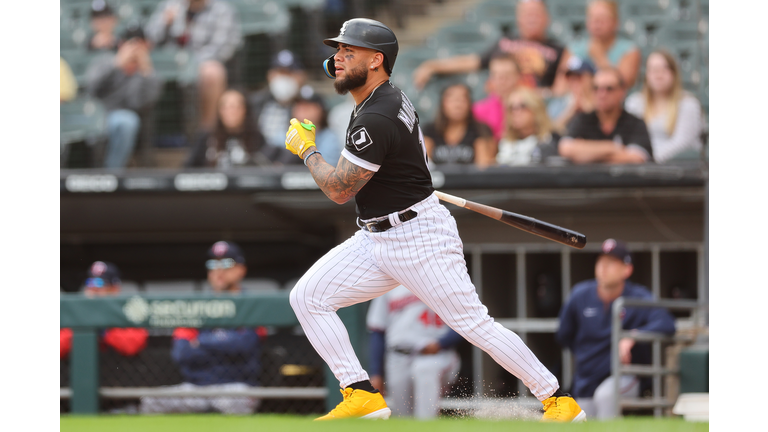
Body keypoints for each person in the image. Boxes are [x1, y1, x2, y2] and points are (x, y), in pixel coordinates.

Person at [283, 18, 586, 422]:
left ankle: (557, 399)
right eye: (336, 51)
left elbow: (339, 190)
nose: (336, 59)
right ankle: (360, 393)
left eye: (347, 52)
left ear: (376, 61)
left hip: (416, 237)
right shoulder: (379, 99)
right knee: (308, 297)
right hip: (377, 237)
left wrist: (307, 150)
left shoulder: (377, 115)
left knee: (473, 324)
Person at [555, 239, 676, 420]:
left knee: (606, 397)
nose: (603, 267)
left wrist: (632, 336)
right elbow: (564, 335)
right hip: (586, 377)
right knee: (581, 420)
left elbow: (667, 323)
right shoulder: (580, 294)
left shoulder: (637, 296)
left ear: (627, 270)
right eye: (600, 261)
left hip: (623, 375)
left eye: (611, 263)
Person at [139, 241, 263, 415]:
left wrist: (199, 343)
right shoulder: (195, 306)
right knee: (151, 402)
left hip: (236, 388)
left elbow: (243, 346)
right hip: (196, 388)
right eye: (213, 265)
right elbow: (181, 353)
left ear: (241, 269)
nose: (218, 270)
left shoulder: (253, 305)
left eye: (226, 264)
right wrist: (222, 343)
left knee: (234, 406)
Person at [412, 0, 568, 95]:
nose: (531, 19)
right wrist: (432, 66)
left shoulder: (559, 50)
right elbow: (473, 62)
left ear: (547, 18)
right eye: (527, 15)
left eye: (536, 14)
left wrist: (527, 94)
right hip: (499, 105)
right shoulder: (504, 42)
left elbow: (561, 91)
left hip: (534, 106)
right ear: (518, 19)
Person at [366, 285, 464, 419]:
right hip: (397, 356)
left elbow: (466, 321)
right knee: (403, 415)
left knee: (425, 370)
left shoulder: (441, 279)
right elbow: (378, 330)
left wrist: (443, 343)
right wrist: (376, 372)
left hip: (434, 354)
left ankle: (427, 426)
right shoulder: (388, 284)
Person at [145, 0, 242, 130]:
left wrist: (191, 63)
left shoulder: (221, 9)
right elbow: (148, 39)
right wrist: (164, 22)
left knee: (213, 72)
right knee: (142, 68)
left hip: (202, 62)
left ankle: (208, 133)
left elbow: (222, 48)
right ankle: (147, 138)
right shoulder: (171, 5)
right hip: (171, 62)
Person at [85, 24, 164, 168]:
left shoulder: (149, 72)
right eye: (130, 42)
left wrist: (145, 69)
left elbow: (147, 102)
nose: (134, 47)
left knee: (127, 121)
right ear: (121, 44)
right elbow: (90, 90)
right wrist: (117, 64)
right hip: (99, 114)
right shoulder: (105, 61)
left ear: (146, 45)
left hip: (128, 119)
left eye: (139, 43)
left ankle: (112, 174)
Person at [558, 68, 653, 164]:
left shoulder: (635, 123)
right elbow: (566, 148)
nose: (602, 94)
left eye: (609, 89)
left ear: (622, 92)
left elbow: (636, 158)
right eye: (596, 88)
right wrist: (613, 147)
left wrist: (584, 153)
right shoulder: (583, 119)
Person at [624, 50, 703, 163]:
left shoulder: (689, 104)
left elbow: (683, 143)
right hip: (638, 168)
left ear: (674, 73)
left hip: (677, 169)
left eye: (664, 69)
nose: (658, 74)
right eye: (653, 69)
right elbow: (627, 140)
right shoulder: (634, 102)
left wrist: (647, 159)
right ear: (646, 74)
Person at [60, 261, 149, 359]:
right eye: (89, 282)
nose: (93, 288)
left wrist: (104, 328)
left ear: (114, 288)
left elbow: (131, 347)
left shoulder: (127, 311)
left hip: (118, 370)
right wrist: (83, 326)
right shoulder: (76, 313)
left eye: (99, 283)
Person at [185, 88, 274, 168]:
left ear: (245, 110)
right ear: (219, 111)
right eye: (225, 107)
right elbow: (187, 171)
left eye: (235, 107)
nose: (231, 112)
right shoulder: (206, 138)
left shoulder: (256, 138)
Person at [249, 49, 309, 165]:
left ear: (301, 76)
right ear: (269, 75)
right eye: (280, 72)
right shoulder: (256, 102)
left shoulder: (308, 104)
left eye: (289, 73)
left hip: (291, 165)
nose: (284, 78)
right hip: (258, 162)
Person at [566, 0, 641, 89]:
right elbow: (561, 87)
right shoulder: (574, 49)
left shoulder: (630, 50)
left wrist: (600, 58)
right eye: (593, 18)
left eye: (602, 18)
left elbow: (623, 85)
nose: (597, 23)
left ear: (616, 22)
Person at [421, 83, 494, 168]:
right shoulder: (430, 130)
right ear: (442, 104)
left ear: (470, 103)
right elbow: (423, 165)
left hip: (471, 180)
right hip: (436, 180)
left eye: (462, 100)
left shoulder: (480, 129)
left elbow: (484, 168)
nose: (457, 105)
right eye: (452, 100)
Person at [496, 87, 560, 166]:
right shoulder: (505, 144)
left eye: (522, 106)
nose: (516, 112)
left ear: (535, 109)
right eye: (511, 108)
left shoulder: (550, 140)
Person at [472, 53, 522, 142]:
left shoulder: (529, 106)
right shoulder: (478, 110)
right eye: (497, 75)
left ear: (518, 77)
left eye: (507, 75)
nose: (502, 81)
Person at [291, 87, 344, 167]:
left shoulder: (330, 138)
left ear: (321, 110)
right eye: (299, 106)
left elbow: (325, 169)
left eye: (308, 106)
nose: (303, 110)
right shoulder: (283, 135)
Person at [547, 56, 596, 134]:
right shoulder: (561, 102)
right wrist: (572, 111)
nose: (573, 82)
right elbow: (550, 131)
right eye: (569, 77)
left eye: (578, 77)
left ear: (591, 77)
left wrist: (586, 105)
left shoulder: (603, 97)